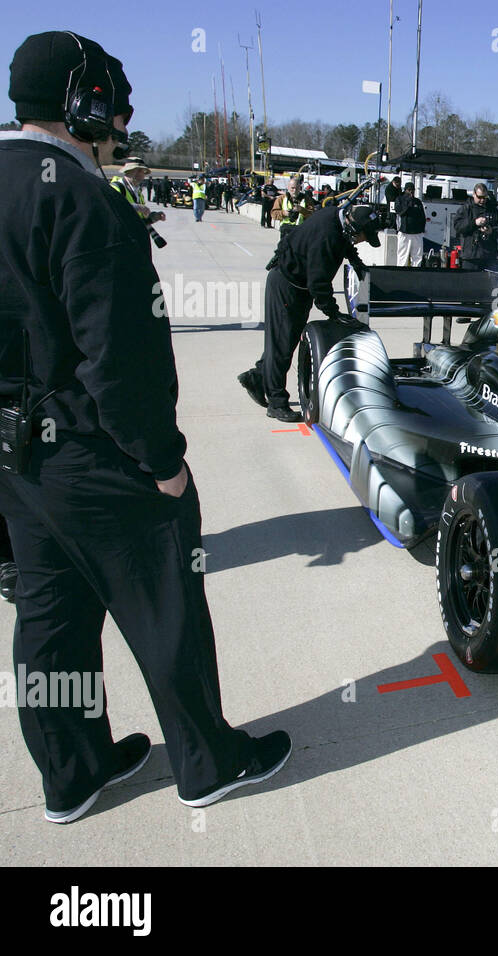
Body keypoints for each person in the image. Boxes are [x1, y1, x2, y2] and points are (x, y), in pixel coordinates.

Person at [0, 31, 291, 823]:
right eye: (111, 98)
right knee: (166, 604)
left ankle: (73, 771)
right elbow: (115, 359)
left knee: (48, 617)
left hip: (16, 459)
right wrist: (162, 461)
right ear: (80, 99)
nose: (122, 114)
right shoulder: (82, 198)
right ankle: (208, 761)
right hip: (93, 455)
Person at [237, 202, 383, 421]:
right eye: (364, 236)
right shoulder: (327, 236)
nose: (362, 240)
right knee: (282, 345)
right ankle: (276, 403)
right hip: (287, 286)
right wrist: (333, 313)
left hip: (297, 286)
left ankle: (257, 377)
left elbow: (345, 244)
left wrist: (356, 261)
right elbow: (319, 285)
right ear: (353, 227)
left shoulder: (337, 218)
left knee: (284, 341)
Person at [452, 183, 498, 272]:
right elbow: (457, 226)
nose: (482, 200)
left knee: (490, 284)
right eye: (479, 197)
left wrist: (491, 231)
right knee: (469, 282)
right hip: (471, 256)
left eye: (484, 197)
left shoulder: (493, 211)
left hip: (489, 255)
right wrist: (474, 223)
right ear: (474, 195)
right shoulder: (466, 209)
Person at [109, 156, 165, 226]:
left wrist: (153, 217)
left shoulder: (138, 192)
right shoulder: (116, 187)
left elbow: (140, 221)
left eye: (144, 172)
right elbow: (113, 208)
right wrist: (137, 207)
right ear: (129, 171)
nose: (142, 174)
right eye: (139, 170)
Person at [395, 181, 426, 267]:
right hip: (404, 232)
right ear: (405, 190)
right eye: (409, 190)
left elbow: (422, 216)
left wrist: (422, 229)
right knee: (402, 256)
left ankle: (416, 272)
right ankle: (401, 273)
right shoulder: (399, 199)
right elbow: (400, 212)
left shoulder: (418, 202)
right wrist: (408, 202)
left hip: (417, 233)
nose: (411, 192)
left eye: (412, 190)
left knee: (417, 256)